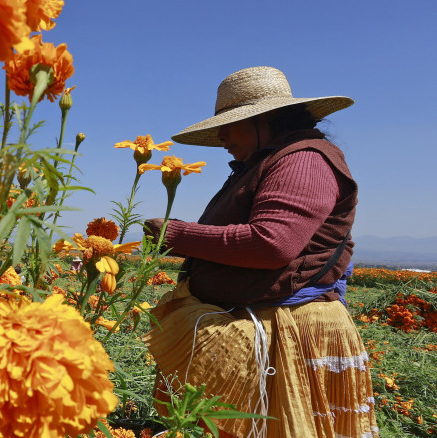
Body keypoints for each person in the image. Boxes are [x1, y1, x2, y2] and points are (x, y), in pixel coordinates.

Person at [141, 66, 378, 438]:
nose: (221, 137)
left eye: (229, 125)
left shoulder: (304, 159)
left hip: (288, 329)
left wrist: (174, 234)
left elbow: (272, 243)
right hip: (261, 319)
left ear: (263, 119)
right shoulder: (265, 163)